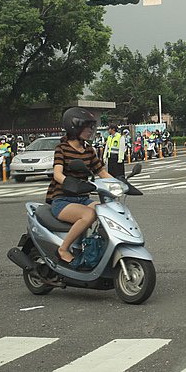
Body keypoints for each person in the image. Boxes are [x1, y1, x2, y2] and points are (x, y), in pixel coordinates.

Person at [46, 107, 111, 264]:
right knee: (88, 215)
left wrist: (120, 183)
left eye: (91, 126)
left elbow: (102, 172)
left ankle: (96, 247)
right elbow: (58, 174)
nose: (91, 130)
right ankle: (63, 249)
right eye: (87, 126)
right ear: (74, 126)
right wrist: (71, 184)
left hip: (82, 199)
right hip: (62, 200)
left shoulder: (88, 150)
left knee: (107, 211)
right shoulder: (62, 148)